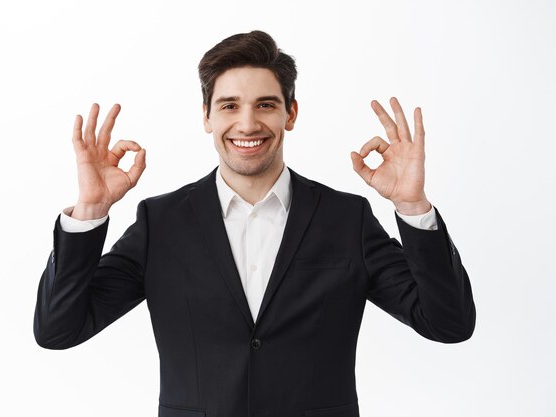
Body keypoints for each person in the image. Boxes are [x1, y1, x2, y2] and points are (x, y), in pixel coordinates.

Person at [33, 30, 475, 417]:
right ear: (206, 116)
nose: (248, 123)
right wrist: (89, 211)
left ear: (291, 114)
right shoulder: (160, 223)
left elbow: (448, 324)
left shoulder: (347, 219)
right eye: (229, 105)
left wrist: (413, 207)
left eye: (266, 104)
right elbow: (59, 330)